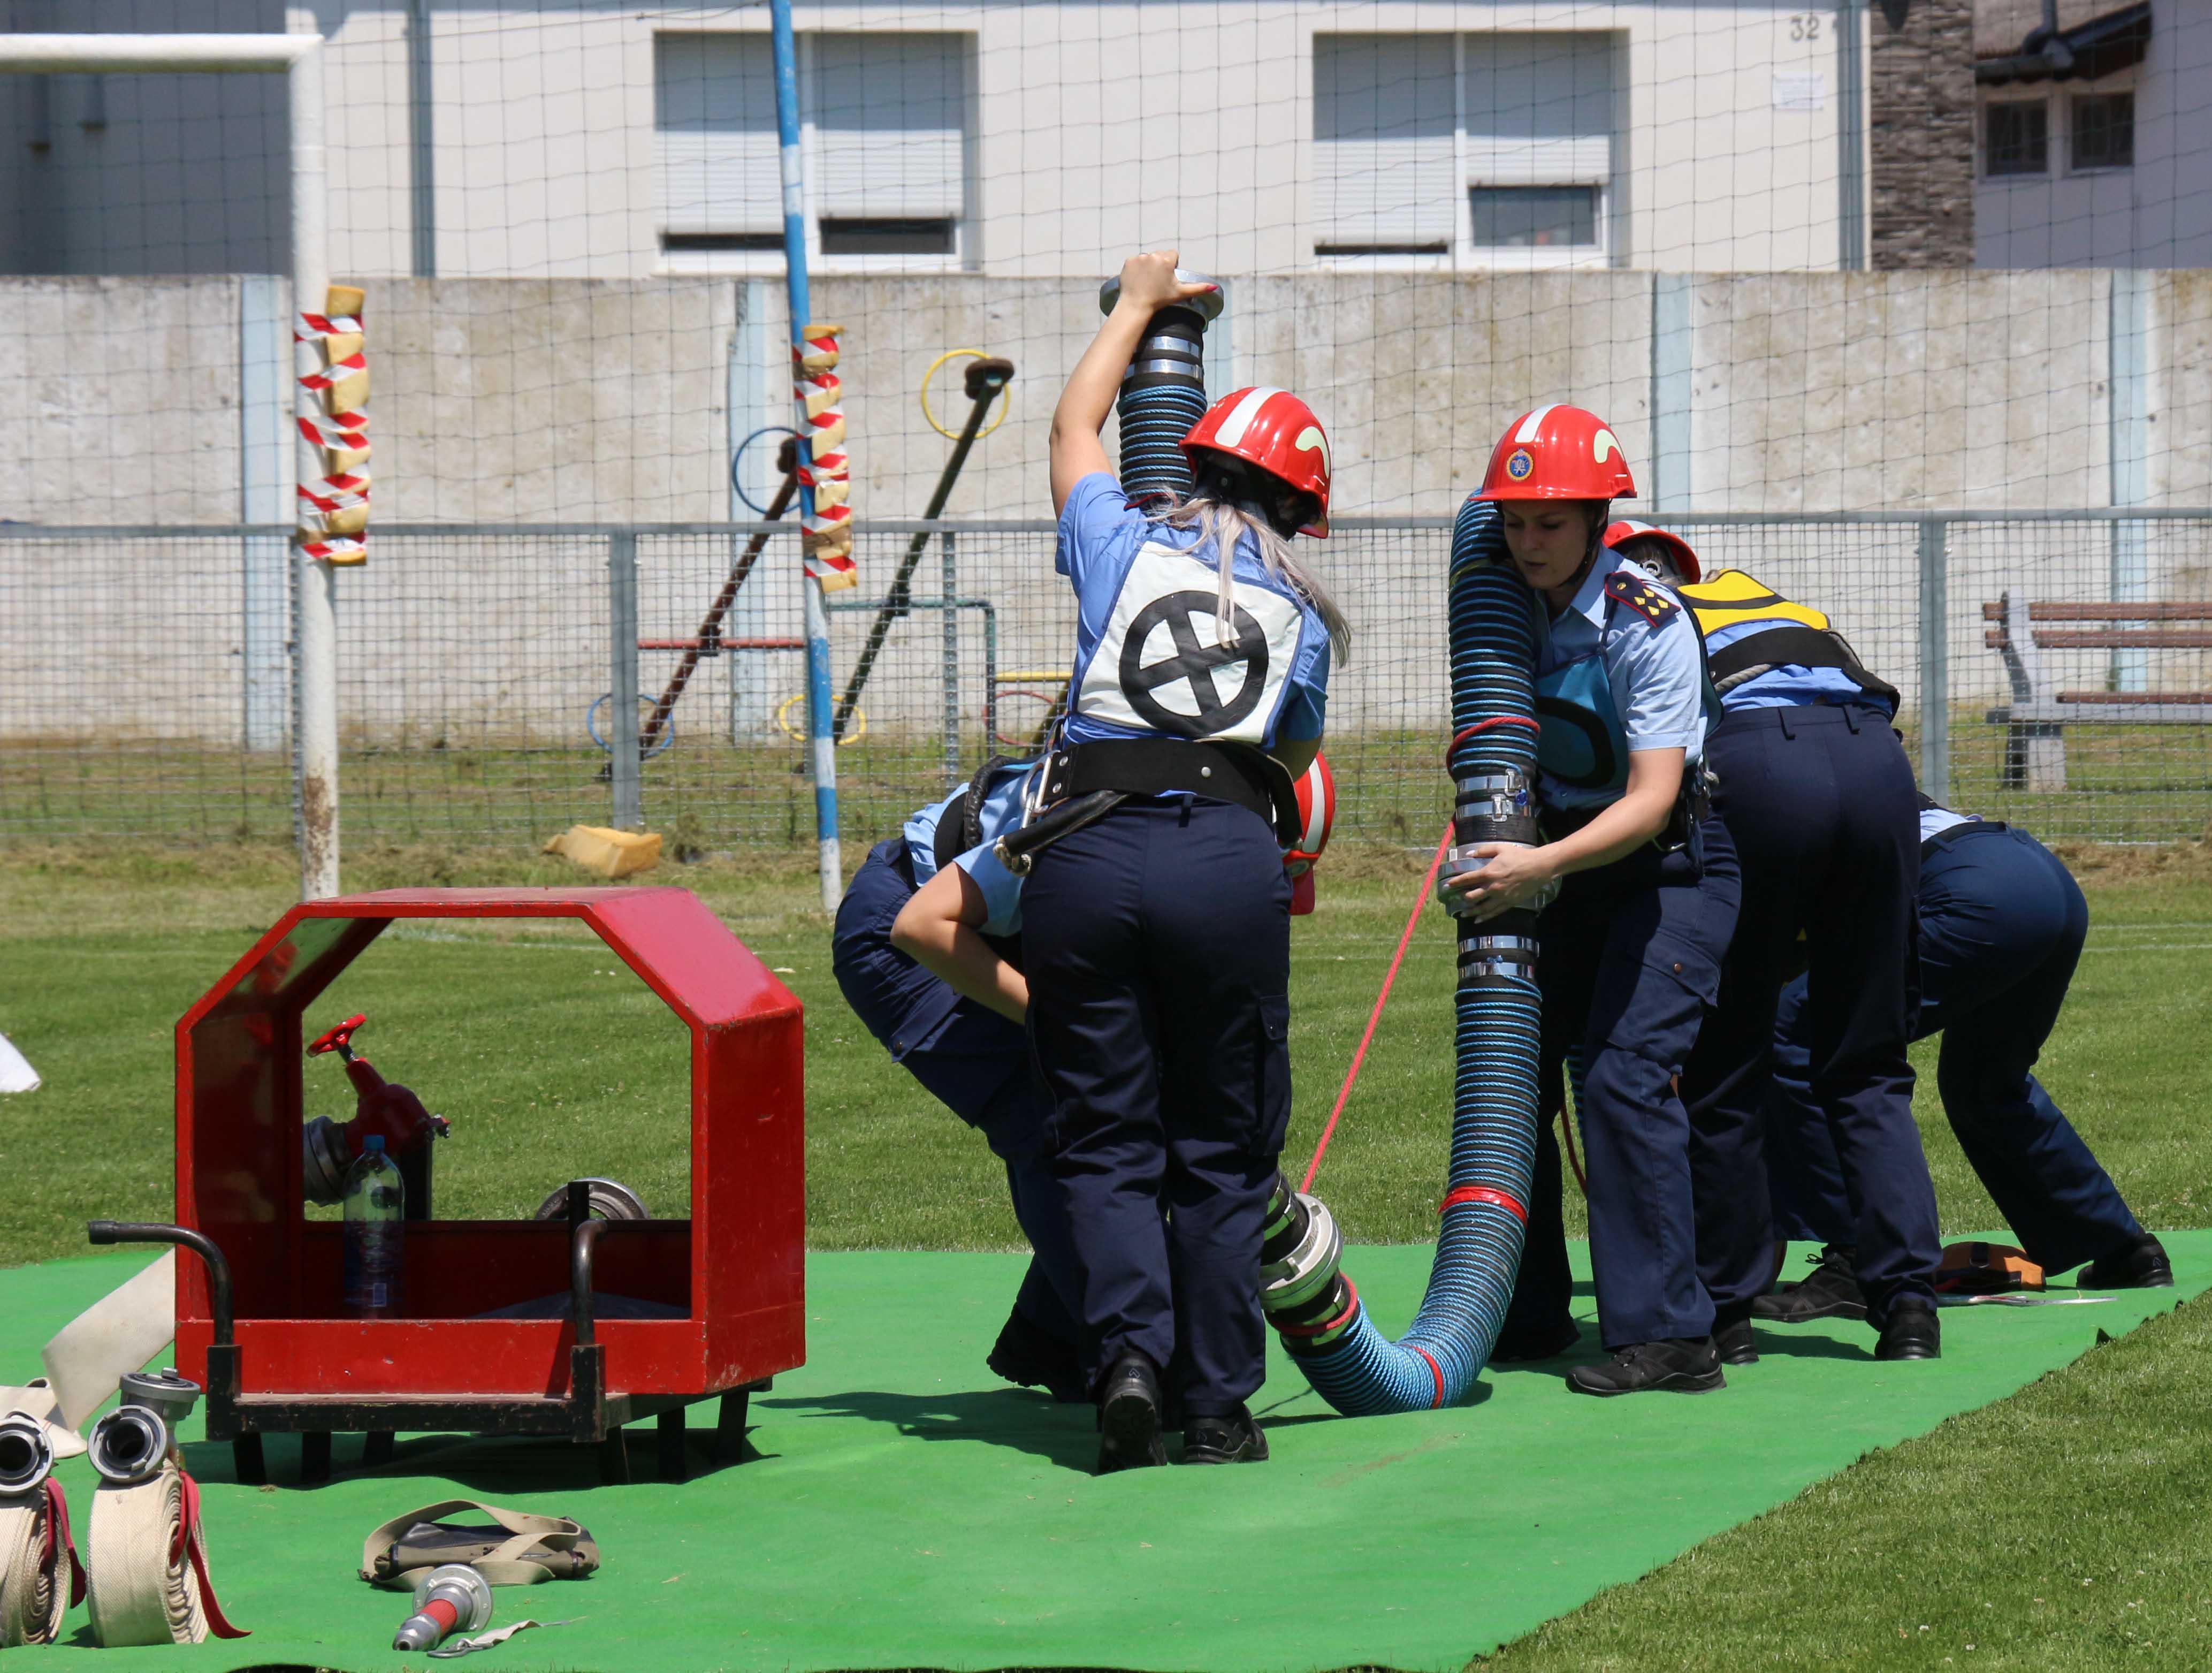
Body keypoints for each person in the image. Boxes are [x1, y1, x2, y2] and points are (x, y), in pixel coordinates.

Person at [1021, 249, 1345, 1472]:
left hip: (1086, 846)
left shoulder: (1116, 542)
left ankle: (1126, 1360)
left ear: (1193, 464)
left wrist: (1140, 306)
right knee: (1220, 1140)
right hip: (1222, 854)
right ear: (1299, 509)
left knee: (1103, 1134)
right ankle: (1217, 1401)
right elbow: (1294, 748)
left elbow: (1072, 423)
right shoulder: (1300, 615)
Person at [1451, 405, 1741, 1397]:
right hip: (1568, 864)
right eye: (1514, 522)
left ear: (1593, 518)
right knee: (1509, 1077)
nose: (1527, 542)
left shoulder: (1644, 618)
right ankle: (1525, 1311)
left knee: (1620, 1077)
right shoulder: (1498, 601)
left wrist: (1533, 868)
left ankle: (1672, 1337)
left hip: (1669, 868)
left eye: (1548, 523)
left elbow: (1653, 797)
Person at [1622, 524, 1947, 1363]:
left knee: (1727, 1058)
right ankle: (1908, 1302)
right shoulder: (1761, 597)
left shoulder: (1627, 614)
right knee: (1867, 1061)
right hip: (1877, 765)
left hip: (1758, 767)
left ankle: (1727, 1309)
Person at [1759, 796, 2171, 1318]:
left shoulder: (1762, 801)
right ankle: (2124, 1249)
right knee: (1985, 1083)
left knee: (1796, 1033)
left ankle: (1857, 1257)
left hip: (1973, 892)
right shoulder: (1838, 770)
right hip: (2041, 878)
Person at [830, 756, 1086, 1400]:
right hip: (902, 934)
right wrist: (1074, 1030)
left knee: (1107, 1114)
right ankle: (1109, 1344)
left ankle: (1054, 1336)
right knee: (1050, 1122)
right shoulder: (1103, 817)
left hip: (978, 921)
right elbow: (923, 926)